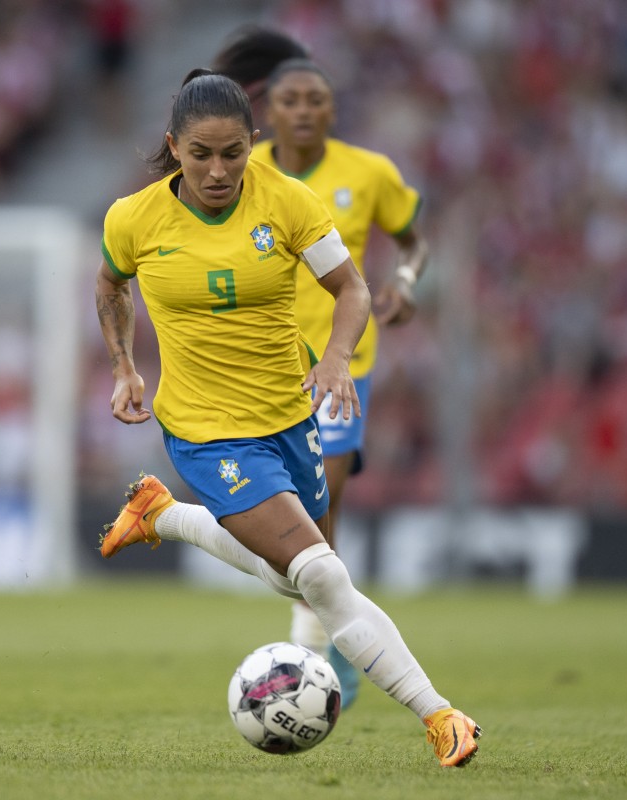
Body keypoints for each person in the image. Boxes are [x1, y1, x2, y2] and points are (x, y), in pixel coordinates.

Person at [95, 68, 479, 768]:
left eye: (234, 153)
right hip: (206, 430)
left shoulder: (288, 202)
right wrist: (125, 365)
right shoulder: (135, 217)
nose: (218, 170)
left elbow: (352, 288)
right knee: (325, 576)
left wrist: (336, 358)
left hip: (289, 417)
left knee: (291, 577)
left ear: (253, 144)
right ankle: (440, 715)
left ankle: (164, 515)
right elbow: (110, 284)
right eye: (202, 153)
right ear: (173, 145)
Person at [211, 29, 431, 709]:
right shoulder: (239, 175)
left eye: (317, 100)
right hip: (260, 366)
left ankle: (318, 646)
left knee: (321, 505)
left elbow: (413, 239)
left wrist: (406, 280)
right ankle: (326, 629)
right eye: (290, 100)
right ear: (268, 111)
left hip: (341, 365)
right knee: (280, 518)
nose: (304, 111)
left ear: (333, 111)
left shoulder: (368, 173)